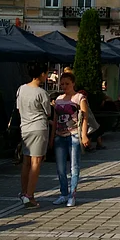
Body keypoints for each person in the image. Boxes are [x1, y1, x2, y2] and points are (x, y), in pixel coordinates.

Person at [17, 62, 52, 209]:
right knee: (36, 162)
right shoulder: (41, 93)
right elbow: (48, 112)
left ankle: (24, 191)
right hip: (38, 127)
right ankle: (29, 196)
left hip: (25, 127)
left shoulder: (21, 89)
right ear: (42, 74)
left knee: (26, 161)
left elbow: (19, 109)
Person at [52, 73, 89, 207]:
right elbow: (55, 120)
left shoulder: (80, 98)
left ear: (73, 83)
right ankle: (63, 193)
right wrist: (52, 138)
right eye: (62, 84)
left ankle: (72, 194)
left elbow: (85, 118)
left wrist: (84, 135)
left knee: (74, 167)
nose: (64, 86)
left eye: (67, 83)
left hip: (73, 134)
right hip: (59, 136)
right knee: (60, 169)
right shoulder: (58, 99)